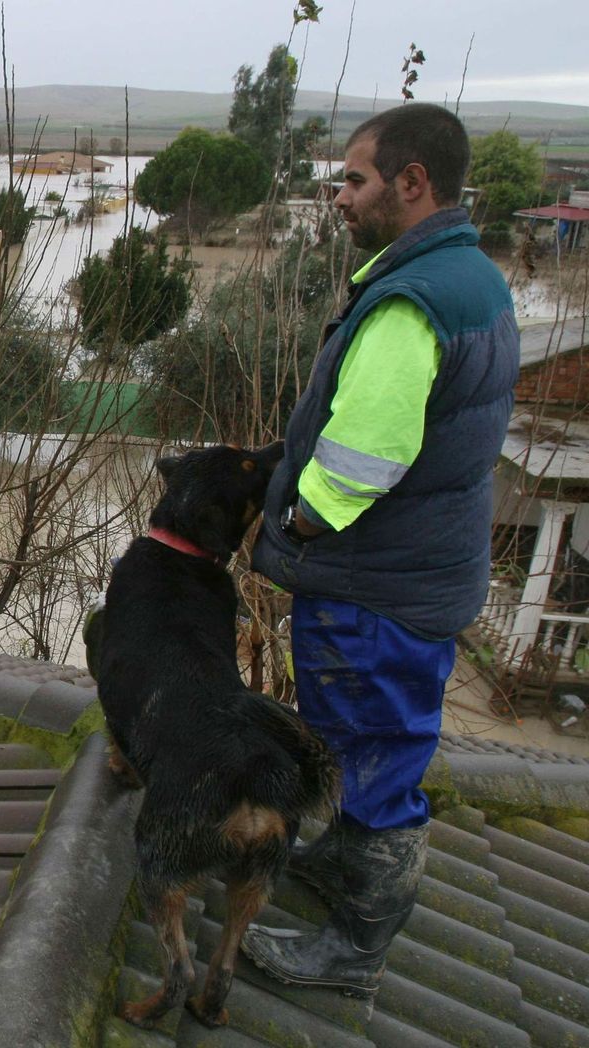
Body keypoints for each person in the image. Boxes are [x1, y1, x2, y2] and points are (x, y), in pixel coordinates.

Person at [242, 103, 520, 997]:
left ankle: (354, 949)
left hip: (376, 588)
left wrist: (294, 528)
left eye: (355, 180)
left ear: (412, 183)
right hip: (418, 574)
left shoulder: (410, 302)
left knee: (371, 757)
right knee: (373, 745)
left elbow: (362, 460)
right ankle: (343, 867)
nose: (338, 197)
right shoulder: (470, 275)